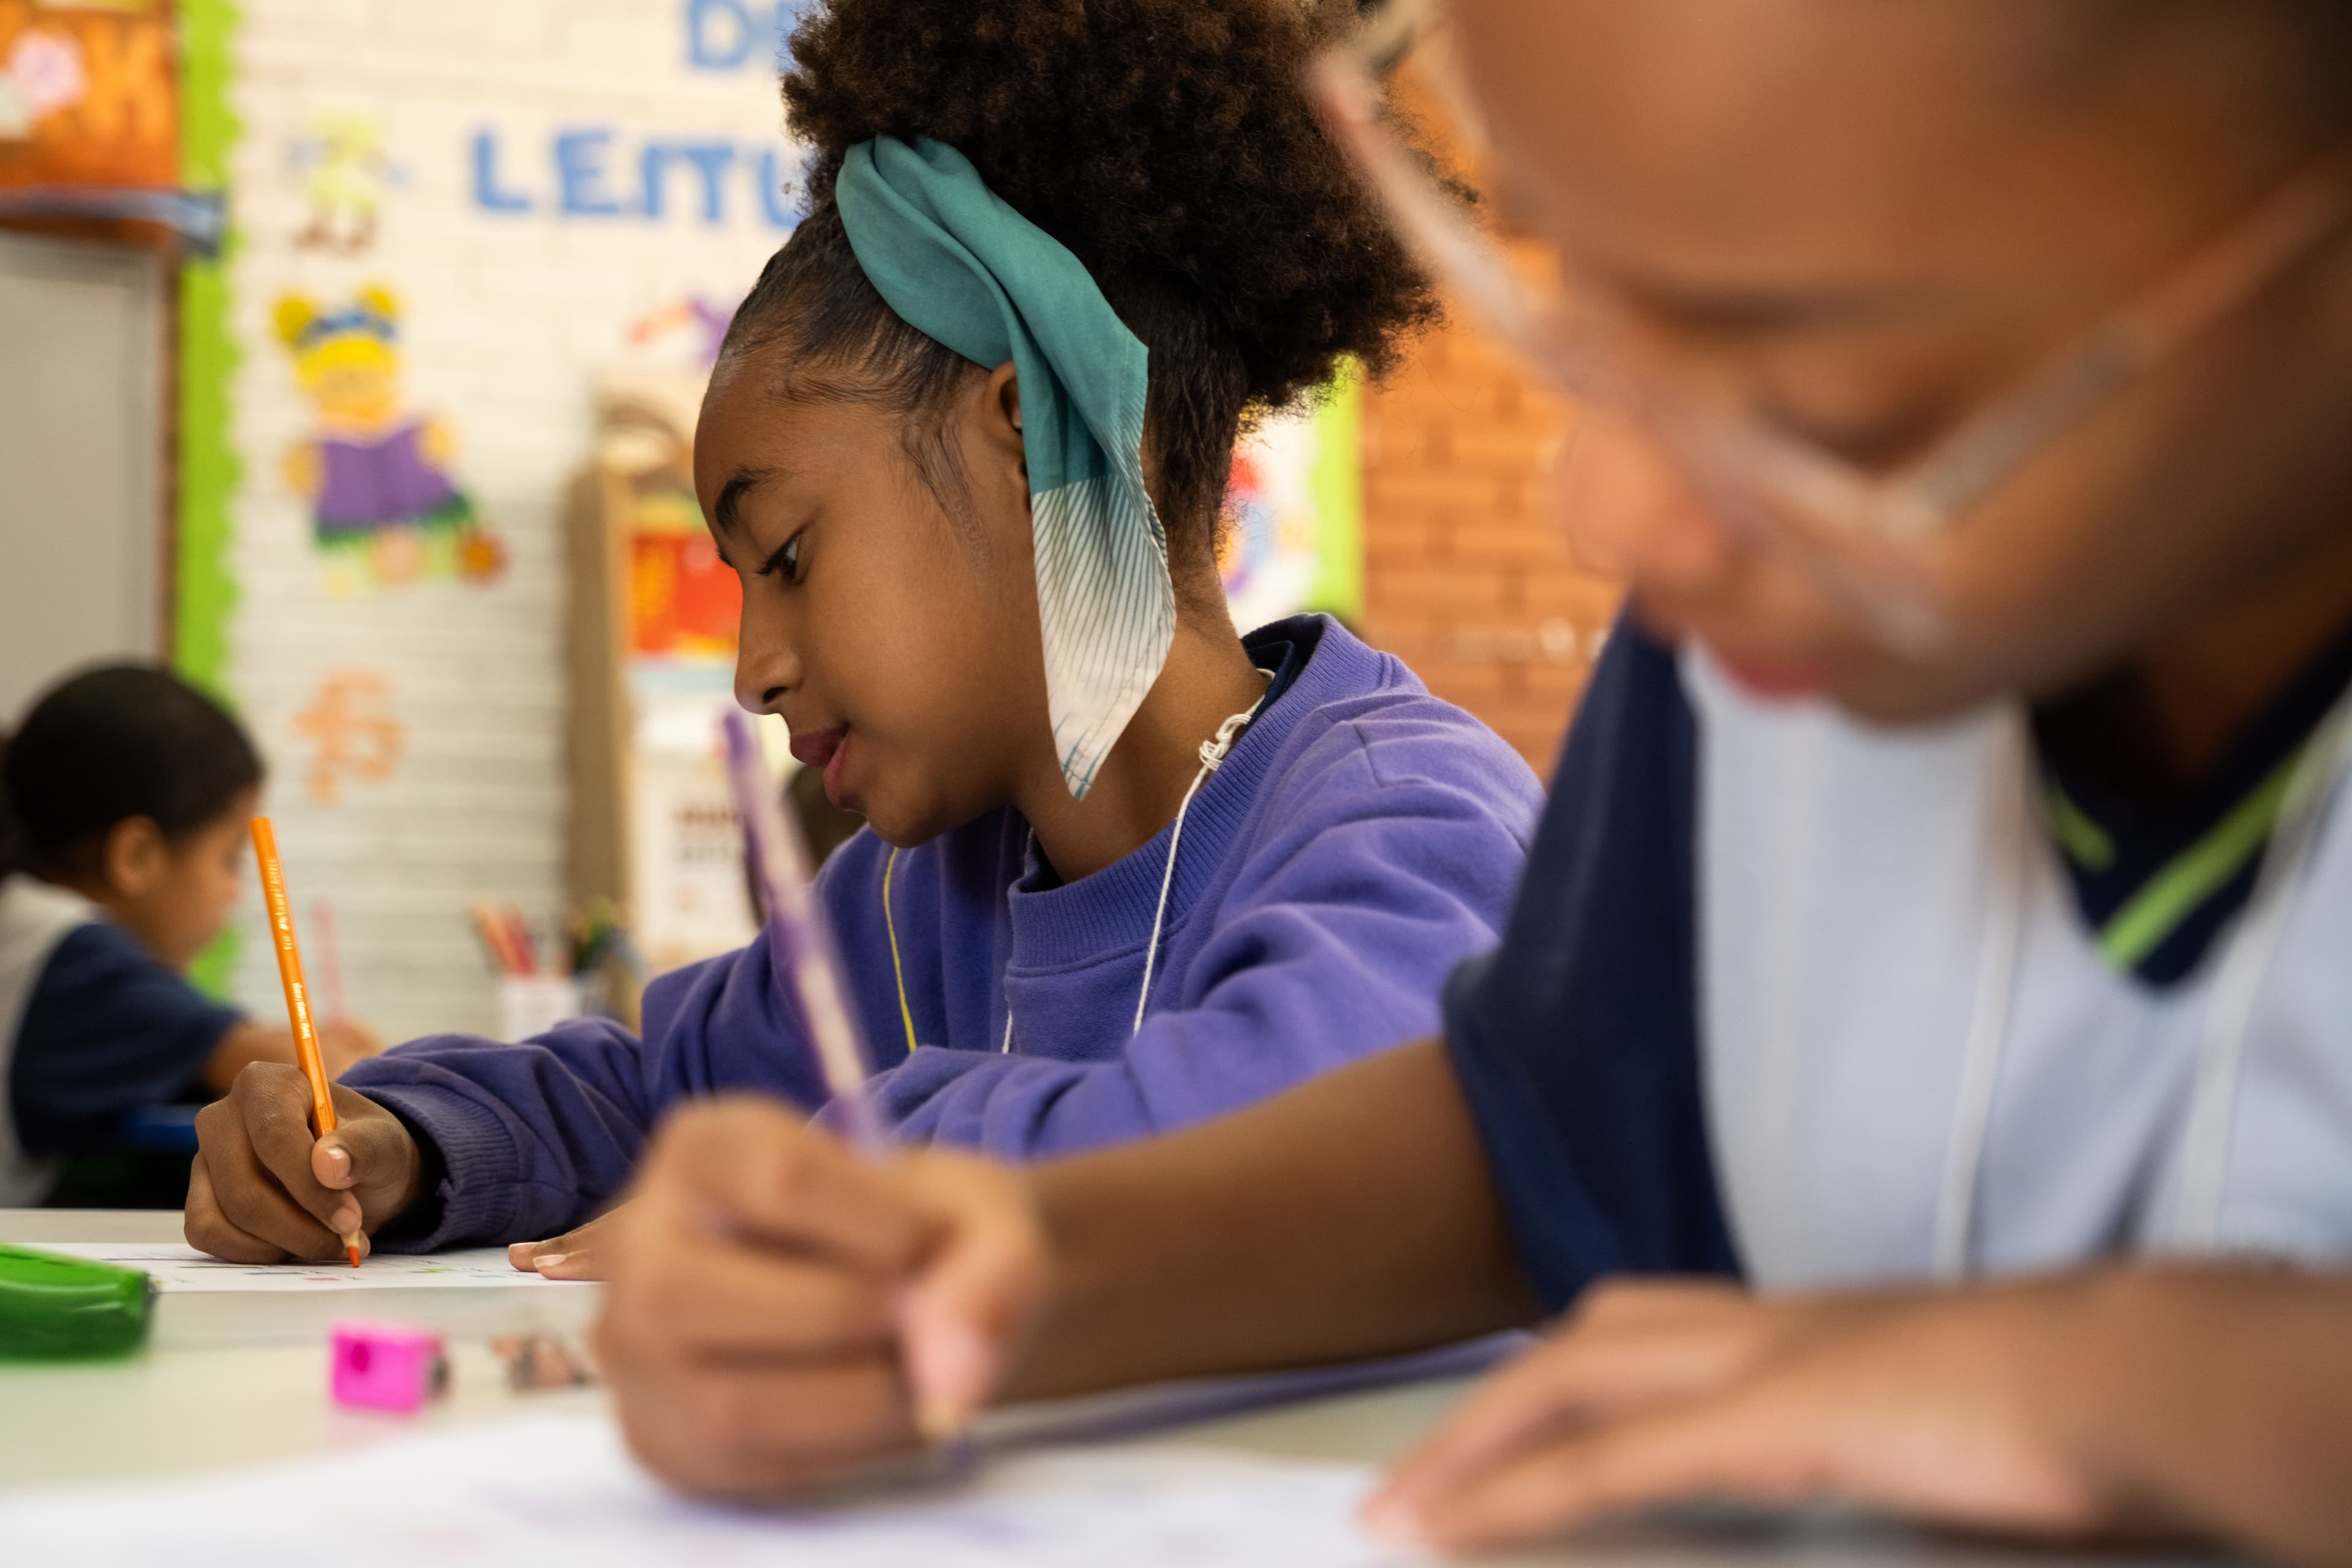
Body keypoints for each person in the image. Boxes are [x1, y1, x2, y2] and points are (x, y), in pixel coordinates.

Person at [570, 1, 2352, 1562]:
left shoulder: (1421, 766)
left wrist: (2124, 1377)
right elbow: (1553, 1127)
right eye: (1576, 292)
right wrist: (1030, 1262)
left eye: (1807, 363)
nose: (1614, 519)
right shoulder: (1754, 647)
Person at [178, 0, 1541, 1270]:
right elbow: (653, 1088)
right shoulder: (921, 896)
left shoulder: (1395, 812)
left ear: (1025, 438)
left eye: (786, 555)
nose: (752, 665)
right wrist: (400, 1143)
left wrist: (811, 1165)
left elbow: (1308, 1149)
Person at [0, 665, 380, 1207]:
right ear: (137, 857)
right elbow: (271, 1065)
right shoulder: (70, 957)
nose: (235, 891)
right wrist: (350, 1055)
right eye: (228, 859)